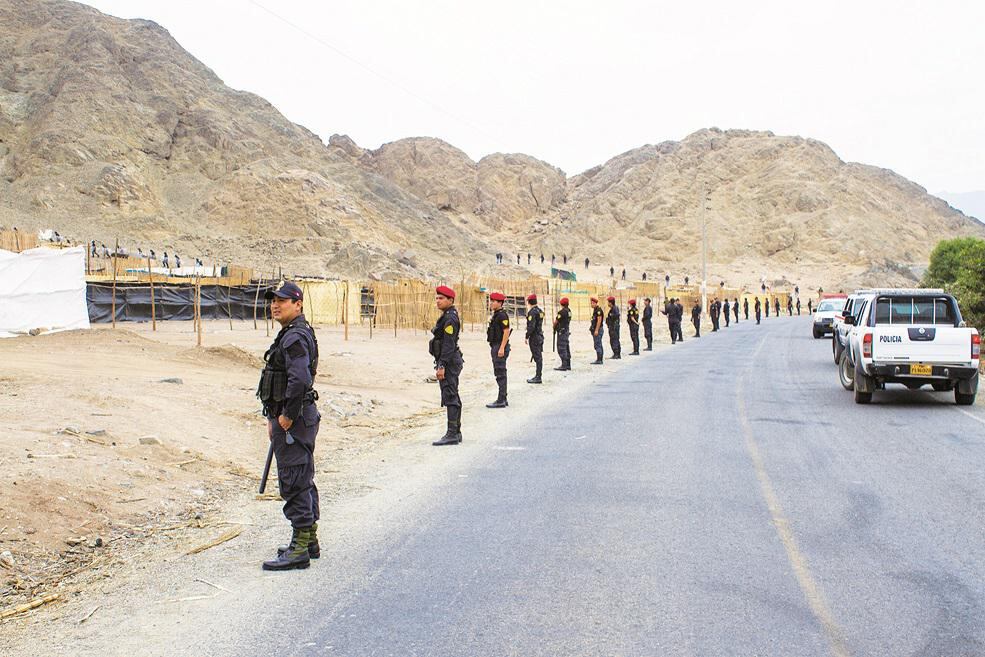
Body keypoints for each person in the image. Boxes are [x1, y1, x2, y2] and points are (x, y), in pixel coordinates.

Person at [257, 282, 321, 571]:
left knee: (294, 480)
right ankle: (309, 541)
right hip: (297, 417)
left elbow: (299, 380)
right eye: (273, 301)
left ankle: (299, 549)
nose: (275, 305)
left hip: (294, 419)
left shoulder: (294, 336)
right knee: (303, 475)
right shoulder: (293, 333)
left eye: (282, 301)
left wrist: (286, 416)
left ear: (298, 304)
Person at [430, 286, 464, 446]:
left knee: (450, 394)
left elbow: (449, 344)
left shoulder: (450, 318)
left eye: (441, 298)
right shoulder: (447, 316)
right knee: (453, 393)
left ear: (450, 300)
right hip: (449, 360)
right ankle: (456, 432)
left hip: (449, 361)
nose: (438, 301)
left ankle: (452, 434)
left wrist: (441, 365)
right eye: (437, 298)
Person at [486, 292, 511, 408]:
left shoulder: (502, 315)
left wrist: (501, 348)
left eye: (493, 301)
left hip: (499, 346)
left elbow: (506, 331)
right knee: (499, 372)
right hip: (496, 345)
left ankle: (501, 399)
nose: (491, 303)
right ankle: (503, 398)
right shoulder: (496, 314)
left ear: (500, 303)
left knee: (500, 373)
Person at [525, 294, 544, 384]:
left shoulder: (532, 312)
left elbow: (531, 326)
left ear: (529, 302)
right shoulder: (540, 311)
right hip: (540, 335)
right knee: (539, 356)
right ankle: (538, 375)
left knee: (537, 357)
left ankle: (538, 377)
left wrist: (527, 336)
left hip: (535, 337)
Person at [553, 297, 572, 370]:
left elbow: (556, 321)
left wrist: (554, 326)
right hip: (566, 330)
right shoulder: (569, 311)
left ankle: (564, 365)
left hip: (562, 332)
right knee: (566, 347)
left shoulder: (561, 312)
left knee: (561, 348)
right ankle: (568, 364)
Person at [589, 297, 605, 364]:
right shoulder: (595, 310)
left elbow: (599, 321)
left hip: (598, 329)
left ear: (595, 303)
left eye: (592, 303)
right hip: (596, 329)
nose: (591, 305)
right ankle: (599, 359)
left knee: (598, 344)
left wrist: (596, 330)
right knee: (598, 344)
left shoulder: (598, 310)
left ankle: (599, 360)